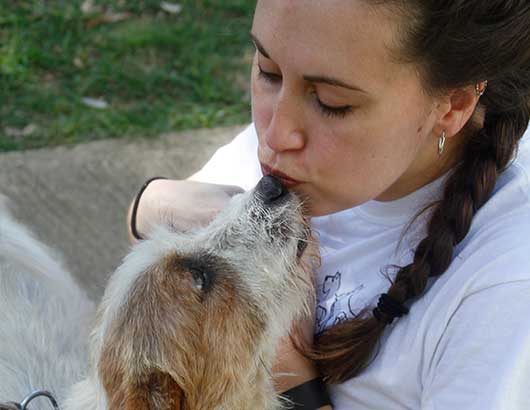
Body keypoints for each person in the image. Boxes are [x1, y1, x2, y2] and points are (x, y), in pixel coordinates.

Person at [127, 1, 530, 409]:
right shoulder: (299, 151)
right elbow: (153, 243)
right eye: (268, 72)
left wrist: (289, 378)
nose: (274, 135)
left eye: (332, 102)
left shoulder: (507, 287)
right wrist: (151, 201)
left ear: (454, 105)